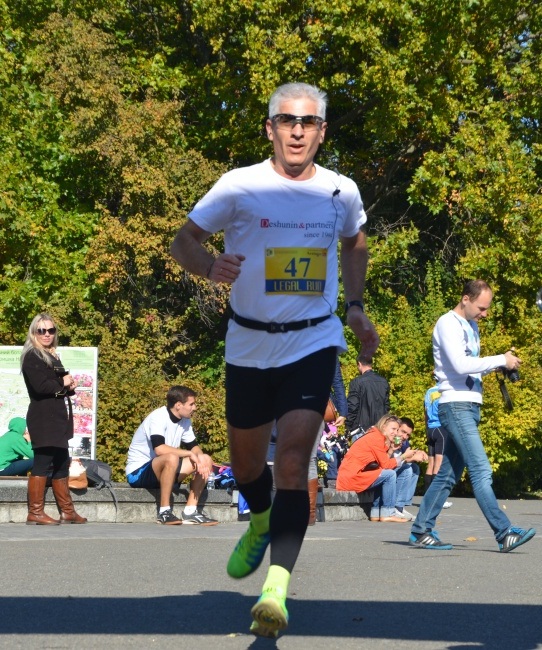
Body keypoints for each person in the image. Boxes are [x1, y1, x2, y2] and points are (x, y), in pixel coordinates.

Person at [170, 81, 379, 638]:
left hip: (313, 341)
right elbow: (183, 241)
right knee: (246, 468)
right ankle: (259, 521)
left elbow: (356, 242)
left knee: (291, 462)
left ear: (322, 132)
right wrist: (208, 266)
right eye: (287, 120)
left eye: (308, 122)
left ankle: (276, 589)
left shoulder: (340, 191)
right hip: (248, 342)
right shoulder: (239, 185)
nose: (297, 131)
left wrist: (355, 306)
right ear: (270, 128)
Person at [410, 279, 536, 552]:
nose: (485, 313)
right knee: (480, 470)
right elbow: (459, 364)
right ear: (465, 298)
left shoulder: (471, 326)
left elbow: (470, 367)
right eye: (481, 308)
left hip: (468, 405)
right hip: (456, 405)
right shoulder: (448, 323)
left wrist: (499, 366)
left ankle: (421, 530)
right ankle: (504, 532)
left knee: (447, 476)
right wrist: (500, 359)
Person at [21, 313, 87, 525]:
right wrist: (62, 383)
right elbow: (40, 387)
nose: (47, 334)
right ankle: (35, 512)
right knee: (43, 461)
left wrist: (69, 387)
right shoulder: (32, 355)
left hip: (57, 416)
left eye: (51, 330)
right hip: (43, 417)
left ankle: (67, 512)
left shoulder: (51, 355)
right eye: (41, 330)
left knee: (61, 462)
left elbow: (55, 386)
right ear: (34, 332)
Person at [125, 385, 218, 526]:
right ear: (179, 405)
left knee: (205, 458)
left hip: (166, 470)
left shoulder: (185, 420)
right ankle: (164, 512)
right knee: (171, 457)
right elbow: (159, 449)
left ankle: (190, 512)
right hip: (138, 473)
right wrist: (189, 453)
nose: (195, 408)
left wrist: (202, 459)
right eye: (191, 404)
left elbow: (194, 447)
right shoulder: (158, 417)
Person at [337, 414, 427, 521]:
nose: (395, 433)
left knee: (384, 473)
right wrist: (404, 456)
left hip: (354, 475)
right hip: (351, 478)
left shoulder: (377, 436)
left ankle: (376, 513)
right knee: (389, 474)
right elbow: (386, 465)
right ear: (384, 427)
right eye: (393, 429)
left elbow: (382, 464)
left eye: (397, 430)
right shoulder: (376, 438)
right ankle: (388, 513)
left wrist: (391, 450)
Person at [346, 353, 390, 442]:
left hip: (361, 430)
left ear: (359, 364)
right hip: (380, 429)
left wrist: (348, 427)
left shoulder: (357, 382)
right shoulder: (384, 382)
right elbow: (387, 407)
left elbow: (352, 407)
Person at [392, 417, 428, 520]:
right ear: (397, 427)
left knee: (415, 468)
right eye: (403, 432)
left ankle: (402, 505)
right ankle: (396, 506)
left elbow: (405, 456)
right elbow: (391, 462)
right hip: (384, 470)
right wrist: (412, 458)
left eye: (408, 434)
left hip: (393, 467)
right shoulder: (391, 438)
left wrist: (418, 453)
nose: (405, 436)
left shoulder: (404, 442)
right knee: (407, 469)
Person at [424, 382, 452, 508]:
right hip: (441, 428)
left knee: (430, 464)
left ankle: (427, 499)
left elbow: (425, 412)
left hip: (430, 428)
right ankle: (437, 499)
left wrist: (427, 430)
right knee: (439, 465)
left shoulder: (430, 391)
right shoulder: (446, 390)